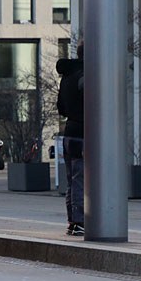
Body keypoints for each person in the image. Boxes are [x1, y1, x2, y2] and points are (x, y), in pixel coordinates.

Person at [57, 43, 84, 237]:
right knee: (80, 179)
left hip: (69, 132)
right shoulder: (84, 77)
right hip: (84, 133)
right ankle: (79, 221)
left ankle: (73, 221)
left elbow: (61, 109)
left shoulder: (67, 77)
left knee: (72, 180)